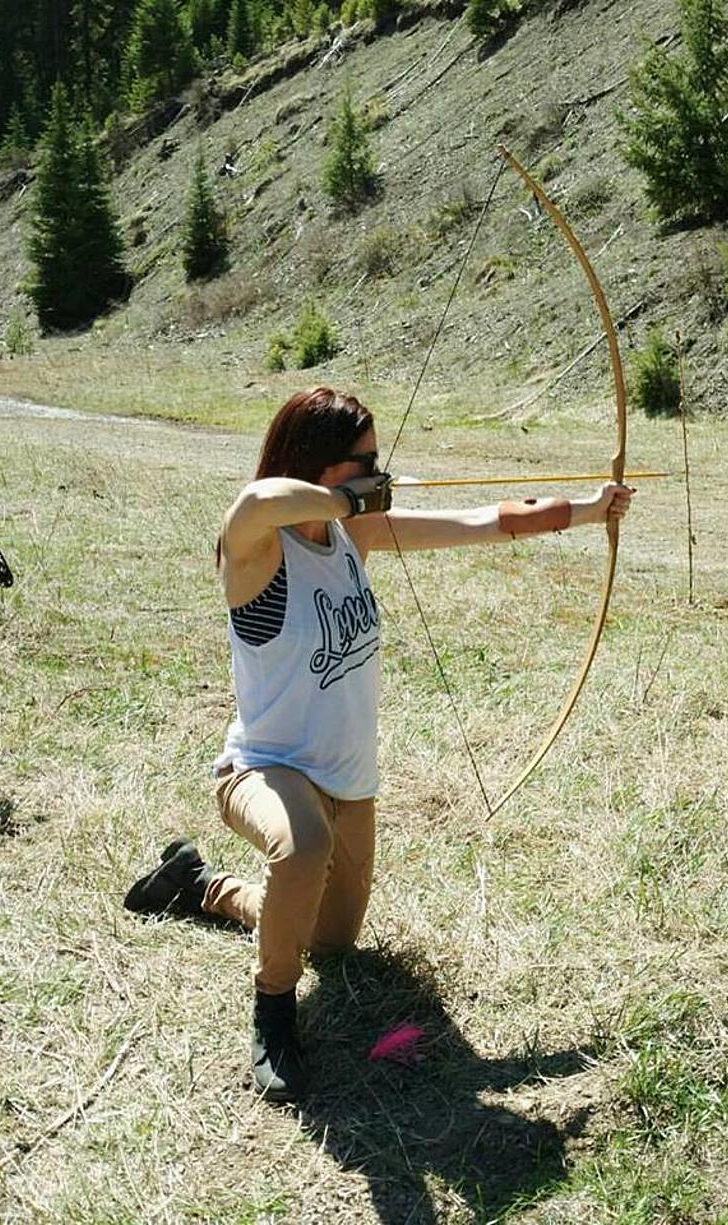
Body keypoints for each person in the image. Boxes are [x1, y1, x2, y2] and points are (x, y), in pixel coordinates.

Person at [124, 386, 633, 1102]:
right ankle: (273, 1012)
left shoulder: (352, 537)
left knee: (330, 943)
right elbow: (256, 501)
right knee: (301, 851)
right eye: (362, 459)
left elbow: (485, 520)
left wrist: (588, 508)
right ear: (317, 465)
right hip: (265, 770)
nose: (377, 470)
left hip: (348, 780)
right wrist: (348, 499)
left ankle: (198, 882)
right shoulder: (257, 550)